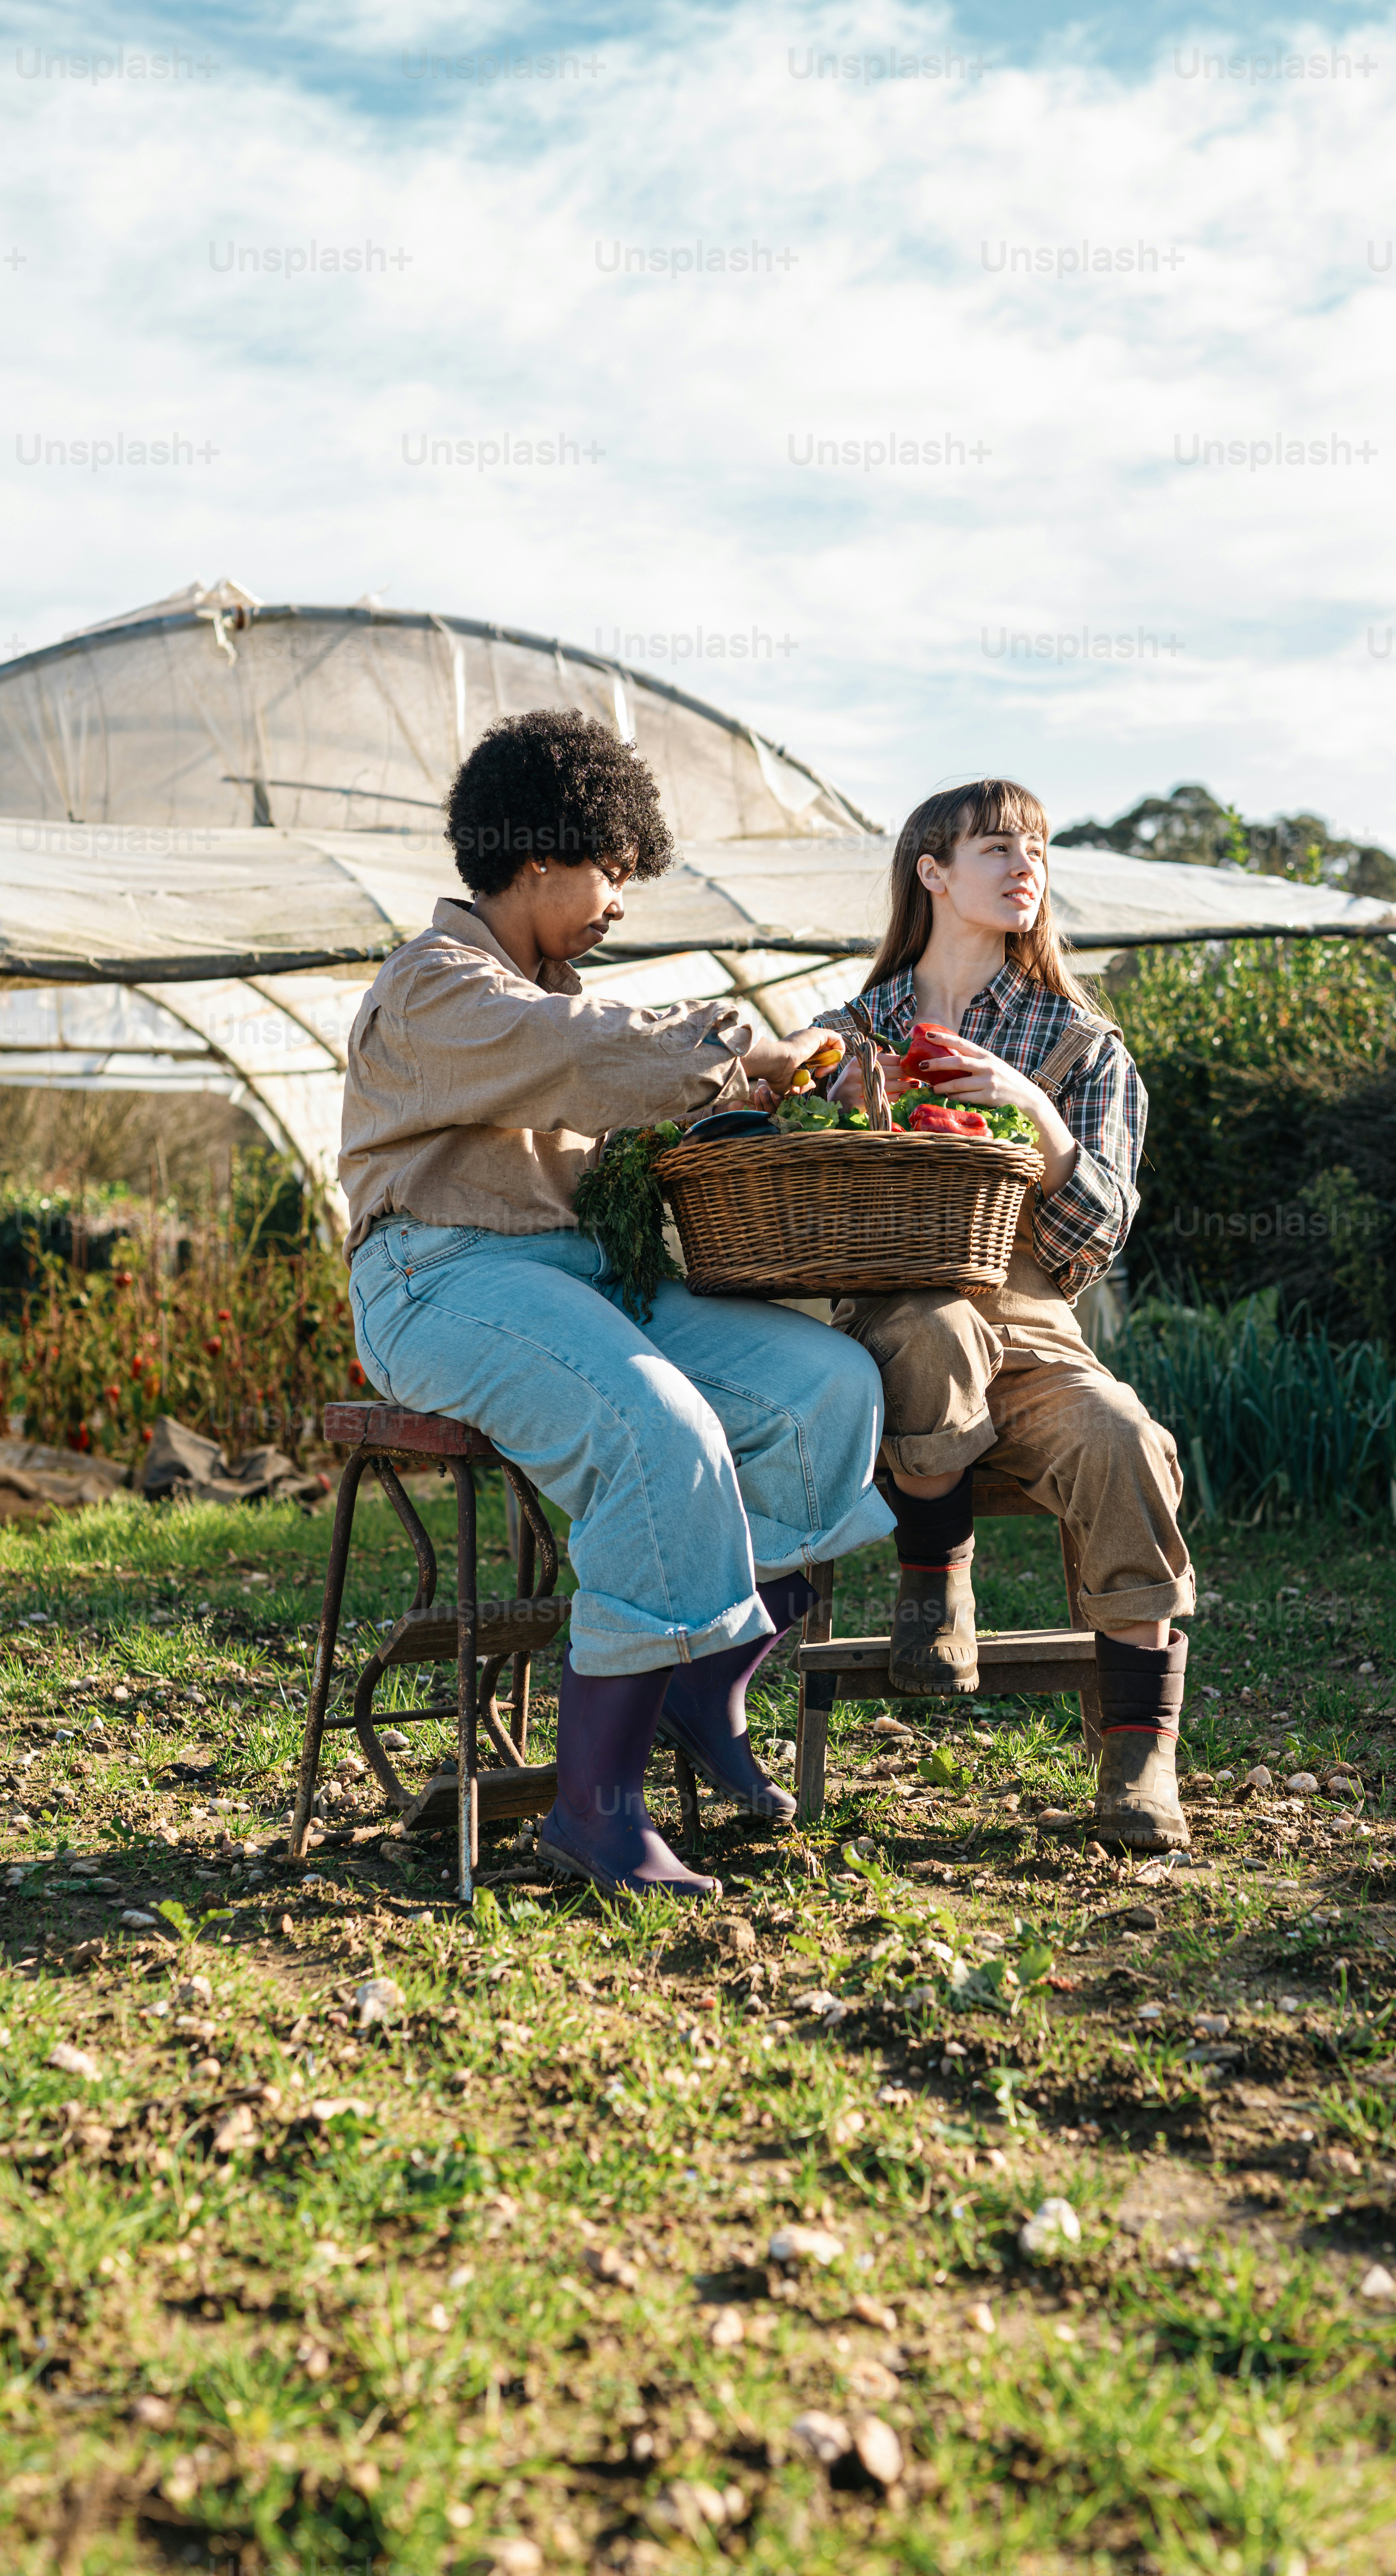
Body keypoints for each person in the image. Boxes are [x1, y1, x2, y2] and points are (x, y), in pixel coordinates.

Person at [340, 708, 893, 1896]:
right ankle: (595, 1811)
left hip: (581, 1278)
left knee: (825, 1390)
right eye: (612, 870)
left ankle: (704, 1685)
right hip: (439, 1281)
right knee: (652, 1426)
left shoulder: (546, 998)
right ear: (540, 861)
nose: (620, 899)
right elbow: (579, 1049)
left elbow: (604, 1071)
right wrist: (735, 1052)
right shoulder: (435, 989)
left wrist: (761, 1097)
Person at [816, 778, 1195, 1851]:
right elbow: (773, 1168)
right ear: (930, 872)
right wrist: (839, 1099)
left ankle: (1137, 1758)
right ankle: (936, 1583)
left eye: (1036, 849)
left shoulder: (1081, 1048)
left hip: (1030, 1324)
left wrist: (1032, 1112)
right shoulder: (848, 1034)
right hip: (883, 1323)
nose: (1026, 866)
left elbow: (1088, 1245)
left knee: (1123, 1439)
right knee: (930, 1323)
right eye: (995, 848)